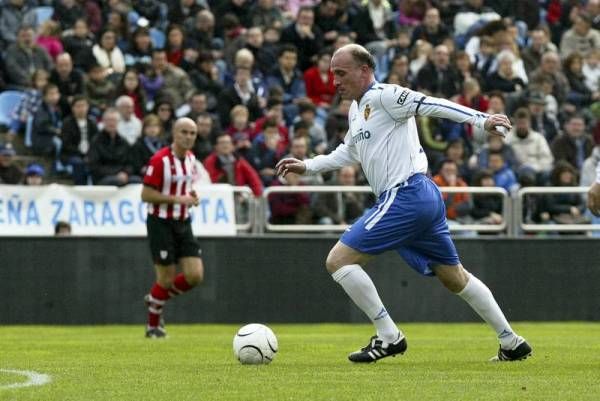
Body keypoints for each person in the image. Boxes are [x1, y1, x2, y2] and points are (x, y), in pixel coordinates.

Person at [276, 44, 532, 363]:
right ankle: (511, 341)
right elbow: (349, 152)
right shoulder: (358, 110)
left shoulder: (386, 95)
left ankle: (388, 336)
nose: (335, 82)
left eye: (341, 74)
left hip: (407, 194)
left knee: (338, 261)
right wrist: (309, 166)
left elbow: (430, 104)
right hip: (421, 197)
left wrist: (481, 120)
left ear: (364, 70)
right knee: (454, 277)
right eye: (332, 75)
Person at [141, 117, 205, 338]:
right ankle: (153, 327)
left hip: (183, 221)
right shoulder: (159, 160)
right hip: (160, 222)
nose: (189, 137)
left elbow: (185, 188)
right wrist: (179, 199)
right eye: (184, 132)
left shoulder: (191, 159)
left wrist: (192, 196)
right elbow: (146, 194)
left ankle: (155, 299)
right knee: (166, 279)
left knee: (195, 275)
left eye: (192, 133)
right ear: (174, 134)